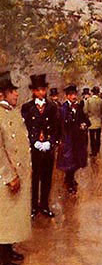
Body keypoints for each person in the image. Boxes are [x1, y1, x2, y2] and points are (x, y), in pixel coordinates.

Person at [0, 72, 32, 265]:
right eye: (12, 91)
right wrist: (9, 175)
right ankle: (2, 258)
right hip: (5, 175)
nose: (16, 95)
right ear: (2, 94)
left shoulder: (12, 112)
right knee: (4, 216)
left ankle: (9, 249)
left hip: (18, 172)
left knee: (13, 216)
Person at [21, 73, 59, 218]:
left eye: (43, 89)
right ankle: (33, 207)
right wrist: (33, 141)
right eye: (38, 90)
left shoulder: (52, 107)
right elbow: (26, 128)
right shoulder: (27, 107)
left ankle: (44, 205)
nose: (41, 93)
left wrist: (50, 142)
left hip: (48, 148)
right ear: (33, 91)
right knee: (34, 178)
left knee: (47, 178)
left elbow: (57, 127)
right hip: (34, 149)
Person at [57, 85, 90, 195]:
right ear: (67, 96)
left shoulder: (79, 107)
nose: (74, 97)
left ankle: (70, 178)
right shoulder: (63, 109)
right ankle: (69, 182)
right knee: (69, 162)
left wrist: (84, 124)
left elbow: (86, 120)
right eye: (71, 95)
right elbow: (63, 125)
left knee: (76, 162)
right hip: (68, 139)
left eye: (75, 94)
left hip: (78, 140)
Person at [83, 86, 102, 158]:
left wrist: (89, 117)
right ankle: (97, 150)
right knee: (98, 137)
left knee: (92, 138)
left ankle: (93, 152)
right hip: (98, 122)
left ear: (92, 92)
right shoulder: (101, 101)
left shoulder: (88, 100)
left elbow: (85, 111)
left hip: (91, 122)